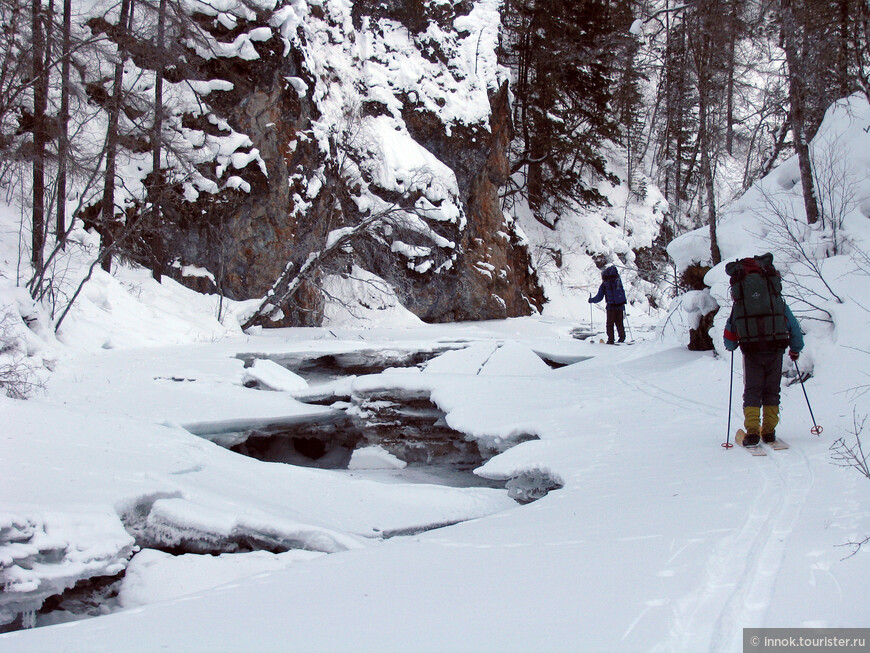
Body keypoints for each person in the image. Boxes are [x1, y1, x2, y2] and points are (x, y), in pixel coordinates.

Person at [723, 257, 804, 446]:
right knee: (771, 390)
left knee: (752, 390)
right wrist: (796, 348)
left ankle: (752, 432)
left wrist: (731, 345)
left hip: (752, 351)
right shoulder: (777, 302)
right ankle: (769, 431)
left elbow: (730, 335)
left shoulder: (740, 305)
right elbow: (793, 326)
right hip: (775, 349)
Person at [588, 265, 626, 344]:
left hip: (611, 307)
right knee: (619, 323)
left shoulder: (605, 284)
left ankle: (611, 339)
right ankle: (622, 337)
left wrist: (591, 300)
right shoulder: (618, 280)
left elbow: (599, 297)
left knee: (610, 324)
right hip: (620, 306)